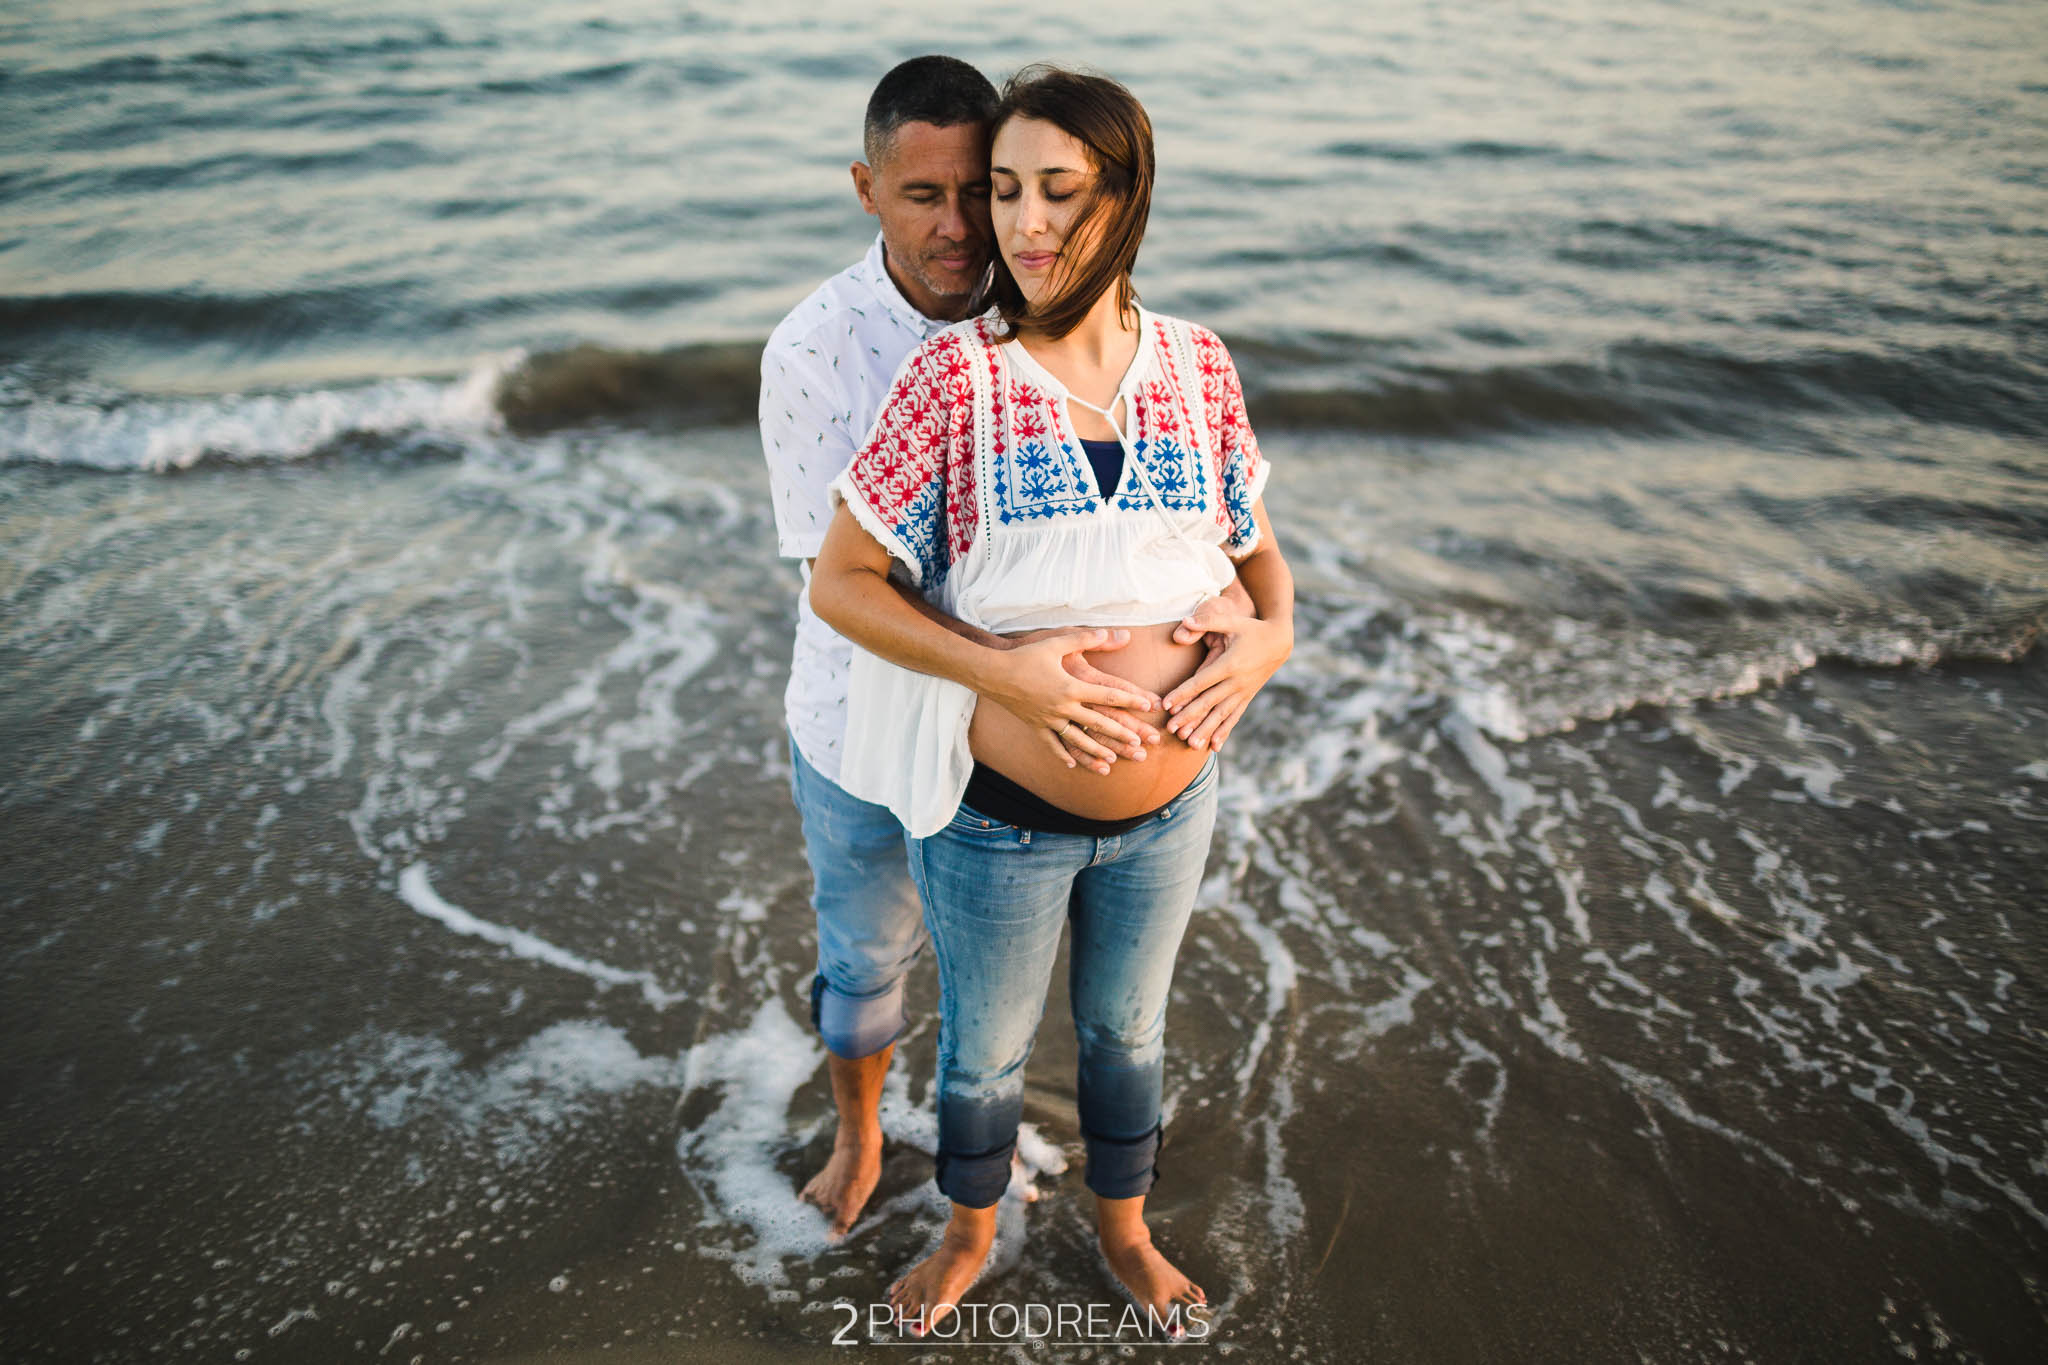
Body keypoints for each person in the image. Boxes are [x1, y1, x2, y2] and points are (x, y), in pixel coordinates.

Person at [809, 65, 1294, 1334]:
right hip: (997, 822)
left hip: (1170, 812)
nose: (1019, 224)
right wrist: (1003, 672)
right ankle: (969, 1232)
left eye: (1056, 191)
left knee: (1128, 1037)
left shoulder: (1195, 364)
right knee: (984, 1050)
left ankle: (1124, 1233)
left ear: (1122, 198)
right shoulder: (951, 382)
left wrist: (1270, 642)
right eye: (1002, 190)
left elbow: (1256, 557)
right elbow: (840, 586)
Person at [759, 55, 1211, 1239]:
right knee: (867, 961)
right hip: (865, 724)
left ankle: (1002, 1175)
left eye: (985, 191)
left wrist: (1240, 634)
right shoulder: (813, 352)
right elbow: (843, 586)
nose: (965, 227)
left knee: (1001, 1009)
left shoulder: (1055, 306)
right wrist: (1012, 676)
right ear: (866, 189)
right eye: (925, 197)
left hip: (1022, 761)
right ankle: (859, 1137)